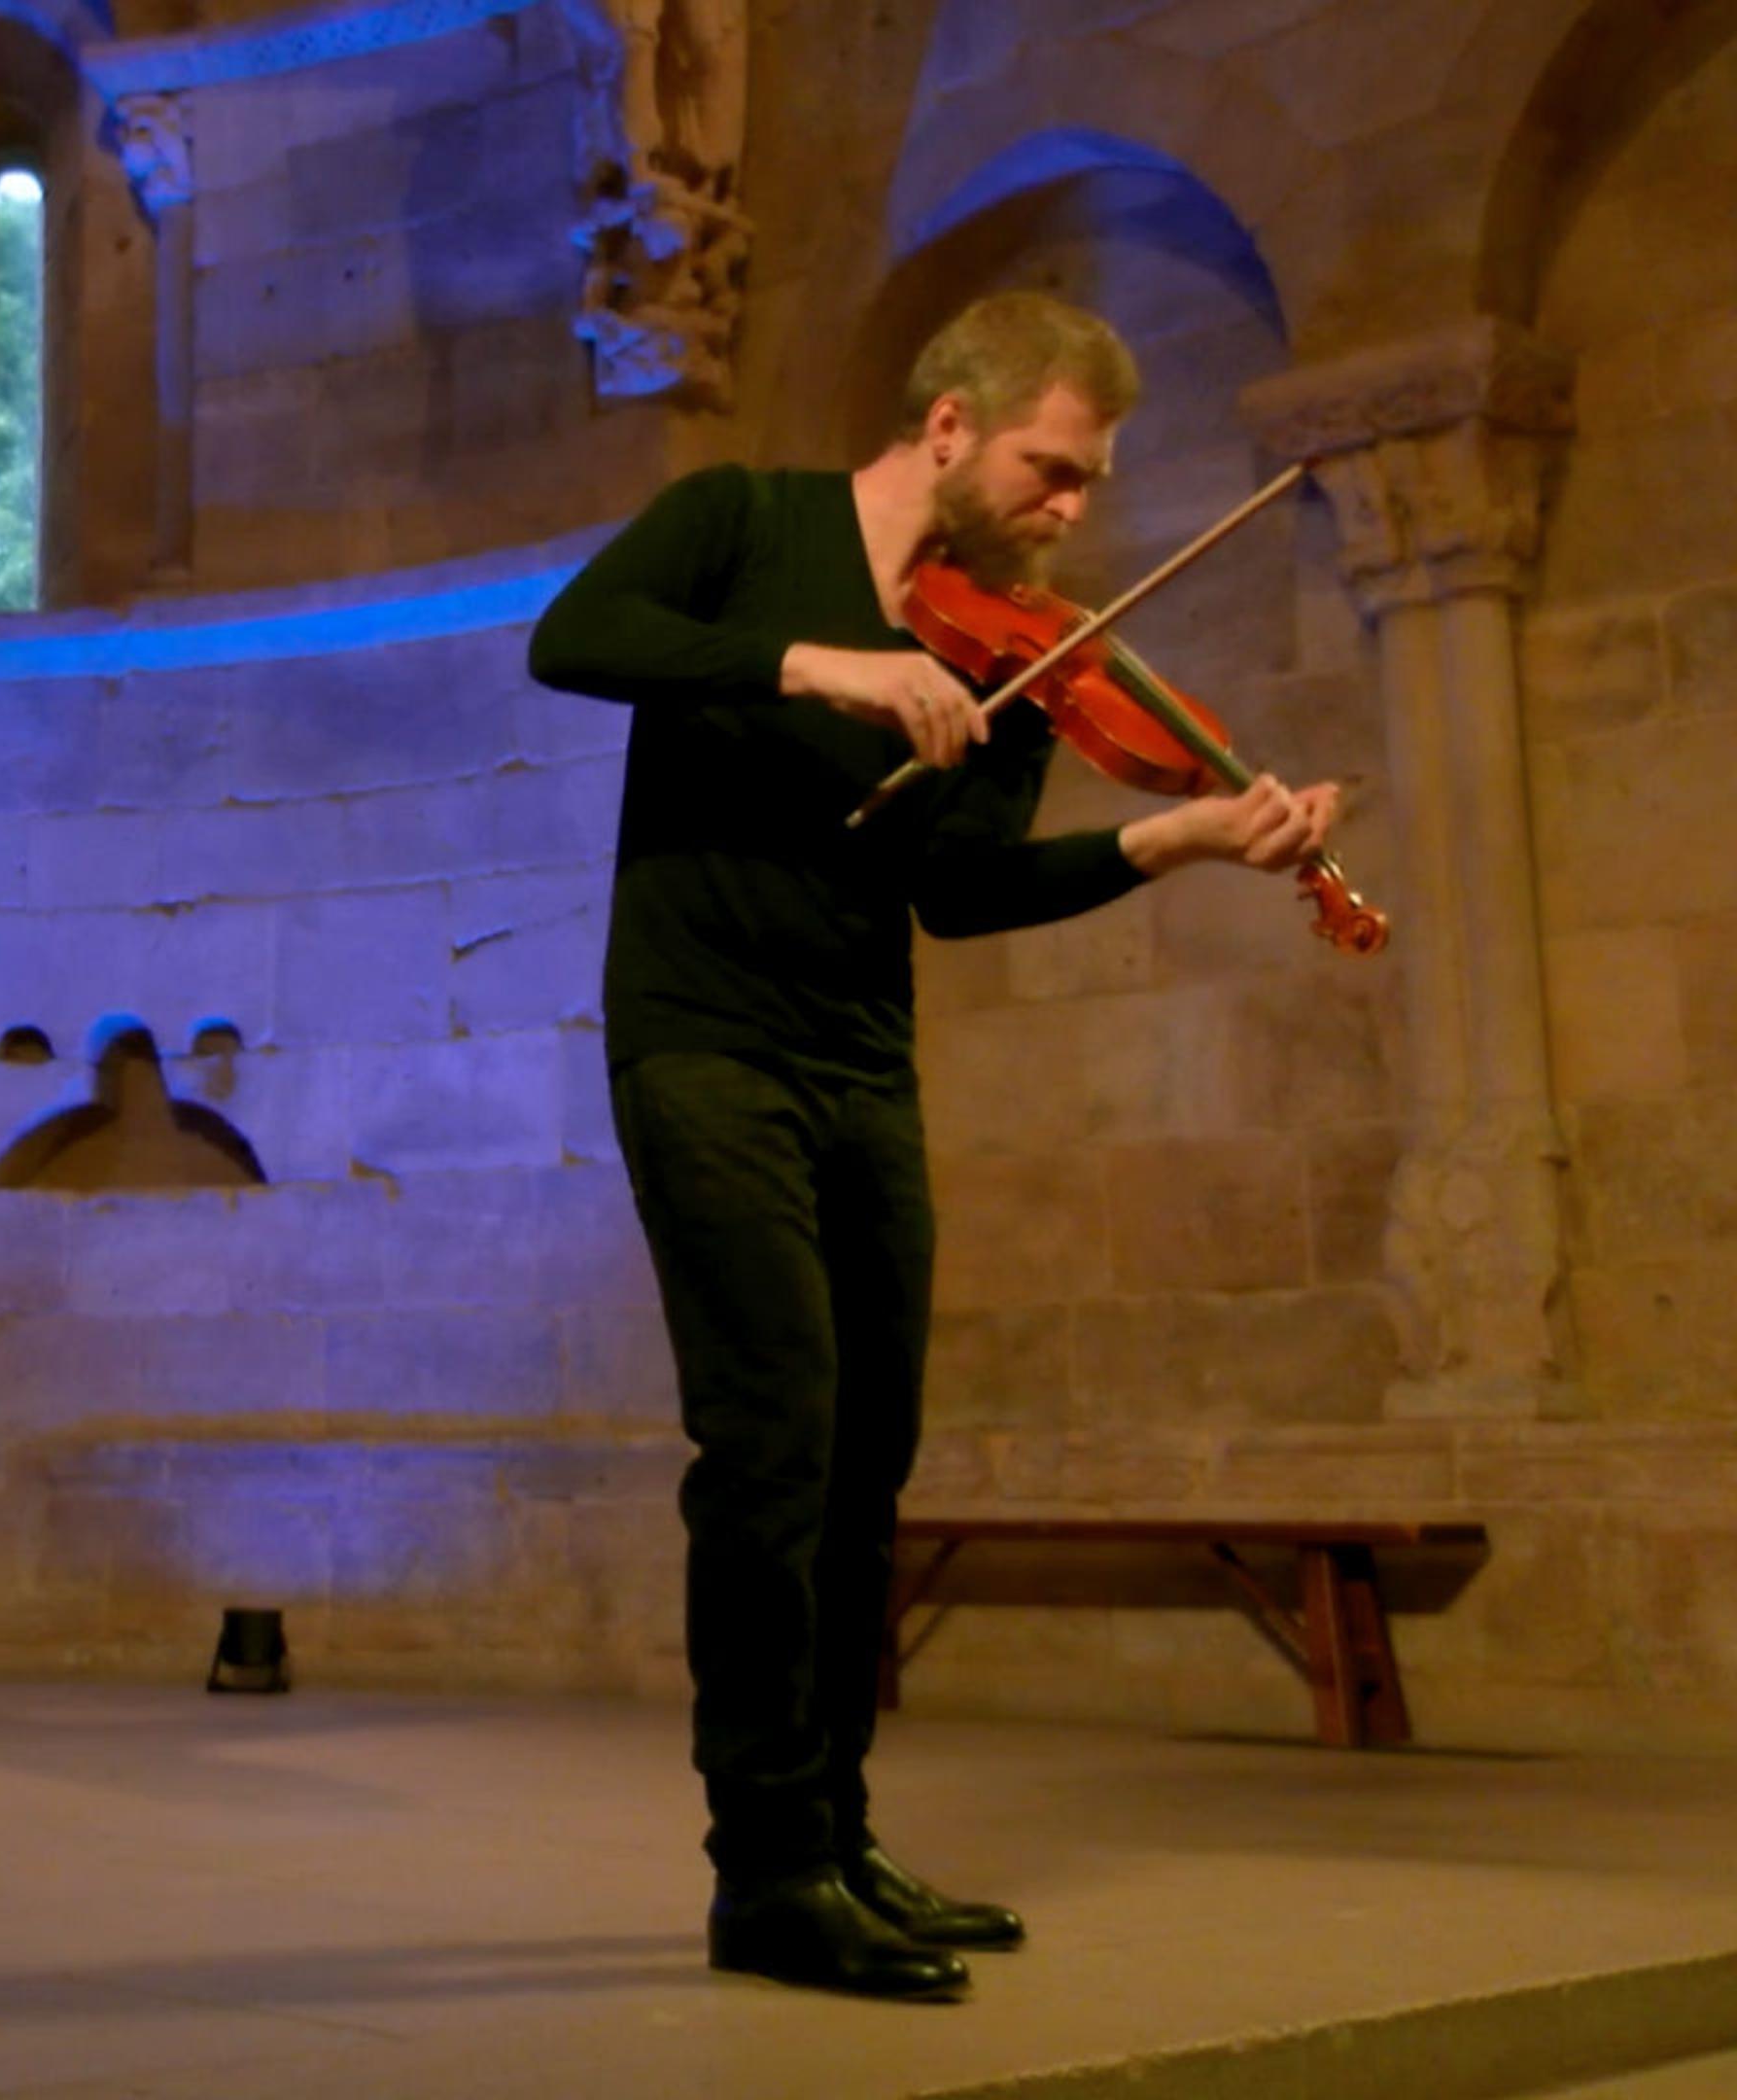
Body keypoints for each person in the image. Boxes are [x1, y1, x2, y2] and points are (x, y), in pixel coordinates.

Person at [525, 291, 1343, 2002]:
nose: (1071, 512)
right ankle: (762, 1872)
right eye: (1053, 470)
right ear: (954, 428)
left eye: (1089, 483)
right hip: (706, 1045)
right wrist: (814, 659)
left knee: (866, 1458)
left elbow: (955, 892)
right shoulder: (741, 522)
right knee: (771, 1442)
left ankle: (835, 1836)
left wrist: (1179, 835)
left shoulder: (1007, 656)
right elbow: (574, 639)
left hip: (861, 1063)